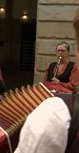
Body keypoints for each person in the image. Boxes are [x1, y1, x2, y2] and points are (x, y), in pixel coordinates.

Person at [13, 9, 79, 153]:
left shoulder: (73, 67)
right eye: (58, 51)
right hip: (50, 98)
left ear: (69, 52)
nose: (60, 53)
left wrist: (60, 83)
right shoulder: (51, 66)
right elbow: (43, 83)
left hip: (64, 101)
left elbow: (74, 85)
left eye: (63, 51)